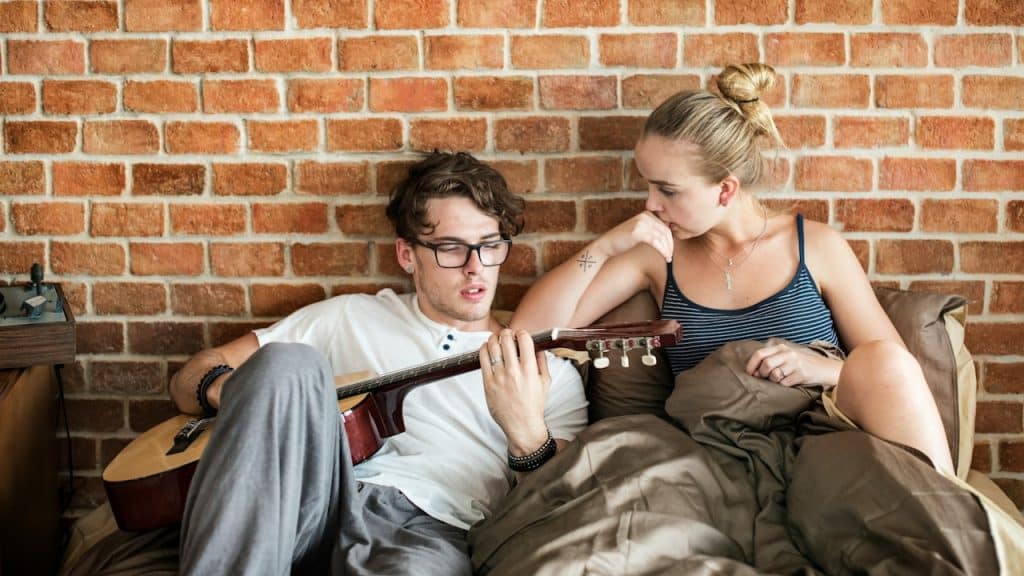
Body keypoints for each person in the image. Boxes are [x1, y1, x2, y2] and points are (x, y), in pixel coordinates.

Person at [511, 62, 954, 476]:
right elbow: (529, 333)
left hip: (823, 449)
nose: (650, 204)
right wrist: (606, 245)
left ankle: (954, 519)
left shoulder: (815, 247)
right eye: (647, 184)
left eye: (667, 189)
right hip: (718, 464)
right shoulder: (656, 253)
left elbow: (897, 373)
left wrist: (827, 370)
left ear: (725, 190)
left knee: (886, 366)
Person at [168, 151, 588, 574]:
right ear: (407, 255)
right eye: (451, 248)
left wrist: (526, 432)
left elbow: (559, 506)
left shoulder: (546, 371)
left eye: (490, 246)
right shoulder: (349, 316)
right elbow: (191, 376)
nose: (476, 268)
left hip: (426, 531)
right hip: (316, 501)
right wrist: (240, 393)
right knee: (286, 362)